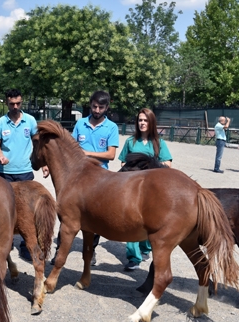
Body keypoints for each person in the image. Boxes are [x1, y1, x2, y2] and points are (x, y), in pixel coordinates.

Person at [49, 90, 119, 266]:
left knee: (95, 216)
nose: (96, 110)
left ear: (107, 107)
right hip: (77, 177)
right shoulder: (81, 123)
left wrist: (86, 153)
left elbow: (111, 155)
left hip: (99, 178)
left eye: (100, 107)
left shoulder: (111, 127)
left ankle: (91, 251)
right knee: (66, 214)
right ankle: (59, 252)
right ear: (90, 105)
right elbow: (70, 148)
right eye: (94, 106)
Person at [118, 108, 172, 271]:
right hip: (132, 188)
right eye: (140, 120)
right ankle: (133, 257)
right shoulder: (130, 142)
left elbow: (168, 164)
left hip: (151, 189)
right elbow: (122, 163)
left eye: (145, 120)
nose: (142, 123)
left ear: (151, 122)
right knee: (131, 222)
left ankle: (145, 248)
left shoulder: (159, 143)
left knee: (150, 221)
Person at [0, 89, 38, 261]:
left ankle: (26, 245)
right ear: (6, 103)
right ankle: (7, 240)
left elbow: (37, 142)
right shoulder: (0, 123)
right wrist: (0, 155)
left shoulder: (30, 121)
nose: (15, 106)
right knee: (4, 210)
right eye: (12, 103)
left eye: (18, 103)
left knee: (28, 210)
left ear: (22, 102)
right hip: (5, 173)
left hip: (25, 171)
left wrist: (44, 163)